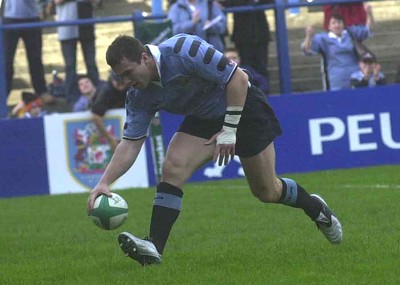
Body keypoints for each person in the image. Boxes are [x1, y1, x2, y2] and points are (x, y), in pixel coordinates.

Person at [87, 34, 343, 267]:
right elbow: (131, 143)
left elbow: (238, 79)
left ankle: (315, 207)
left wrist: (230, 129)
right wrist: (104, 182)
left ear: (145, 57)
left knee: (267, 191)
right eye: (122, 77)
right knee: (173, 165)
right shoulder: (138, 95)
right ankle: (154, 245)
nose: (127, 82)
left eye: (129, 72)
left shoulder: (183, 49)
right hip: (205, 117)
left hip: (243, 106)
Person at [302, 8, 375, 91]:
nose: (337, 25)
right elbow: (307, 50)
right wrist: (308, 36)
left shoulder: (351, 33)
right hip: (335, 82)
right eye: (333, 23)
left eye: (339, 22)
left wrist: (369, 13)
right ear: (329, 26)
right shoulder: (322, 38)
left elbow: (369, 29)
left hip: (356, 79)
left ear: (343, 24)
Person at [49, 0, 100, 106]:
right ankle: (71, 99)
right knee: (70, 66)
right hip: (67, 25)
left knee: (91, 64)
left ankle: (98, 96)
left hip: (86, 23)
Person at [3, 0, 53, 105]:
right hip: (9, 18)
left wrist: (44, 6)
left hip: (32, 17)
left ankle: (41, 91)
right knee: (6, 60)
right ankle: (3, 93)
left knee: (35, 58)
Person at [223, 0, 273, 93]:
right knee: (245, 69)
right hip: (243, 36)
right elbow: (228, 3)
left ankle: (263, 95)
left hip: (260, 34)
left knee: (262, 68)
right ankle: (248, 96)